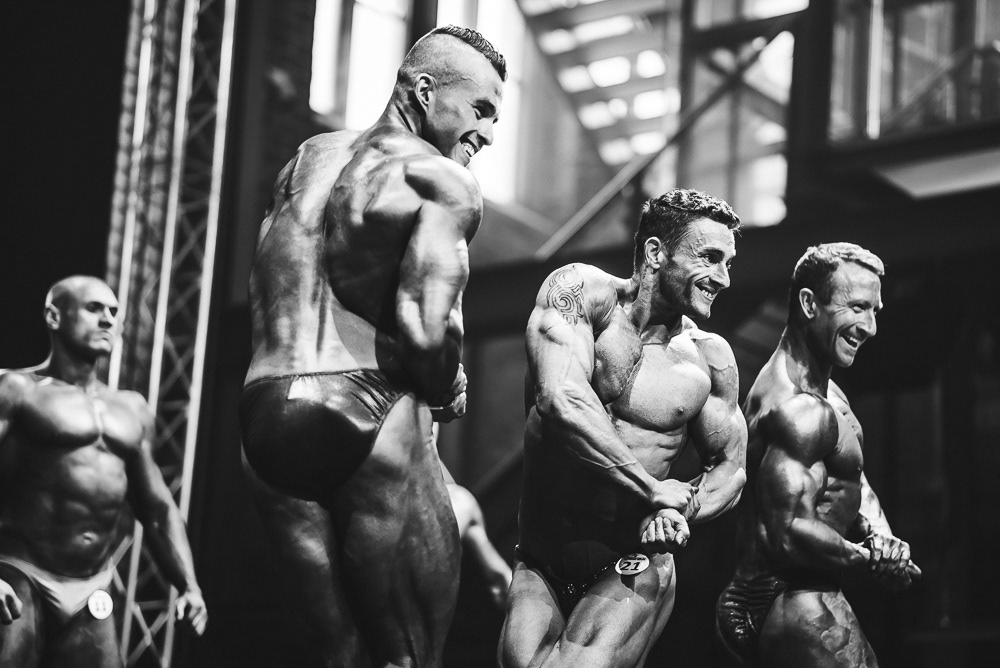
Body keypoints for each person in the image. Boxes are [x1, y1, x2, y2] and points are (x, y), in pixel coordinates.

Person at [238, 25, 506, 668]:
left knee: (331, 656)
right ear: (424, 91)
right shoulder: (440, 179)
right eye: (481, 109)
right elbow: (426, 330)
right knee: (409, 656)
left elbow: (268, 279)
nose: (489, 134)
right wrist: (447, 382)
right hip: (363, 404)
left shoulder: (309, 157)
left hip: (264, 413)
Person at [499, 189, 749, 668]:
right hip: (539, 561)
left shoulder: (708, 358)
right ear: (656, 252)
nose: (723, 278)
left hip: (631, 561)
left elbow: (731, 468)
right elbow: (560, 396)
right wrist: (651, 487)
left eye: (729, 263)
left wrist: (681, 510)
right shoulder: (580, 292)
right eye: (710, 258)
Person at [715, 243, 919, 667]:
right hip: (785, 593)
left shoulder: (830, 395)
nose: (870, 327)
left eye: (875, 310)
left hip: (808, 586)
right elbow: (788, 531)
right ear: (810, 304)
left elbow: (852, 477)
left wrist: (882, 537)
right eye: (857, 308)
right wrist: (872, 559)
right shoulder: (796, 407)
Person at [0, 275, 207, 668]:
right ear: (54, 316)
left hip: (91, 587)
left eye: (114, 312)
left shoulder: (131, 409)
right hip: (20, 575)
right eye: (94, 308)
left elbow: (157, 509)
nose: (109, 320)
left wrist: (188, 585)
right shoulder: (16, 389)